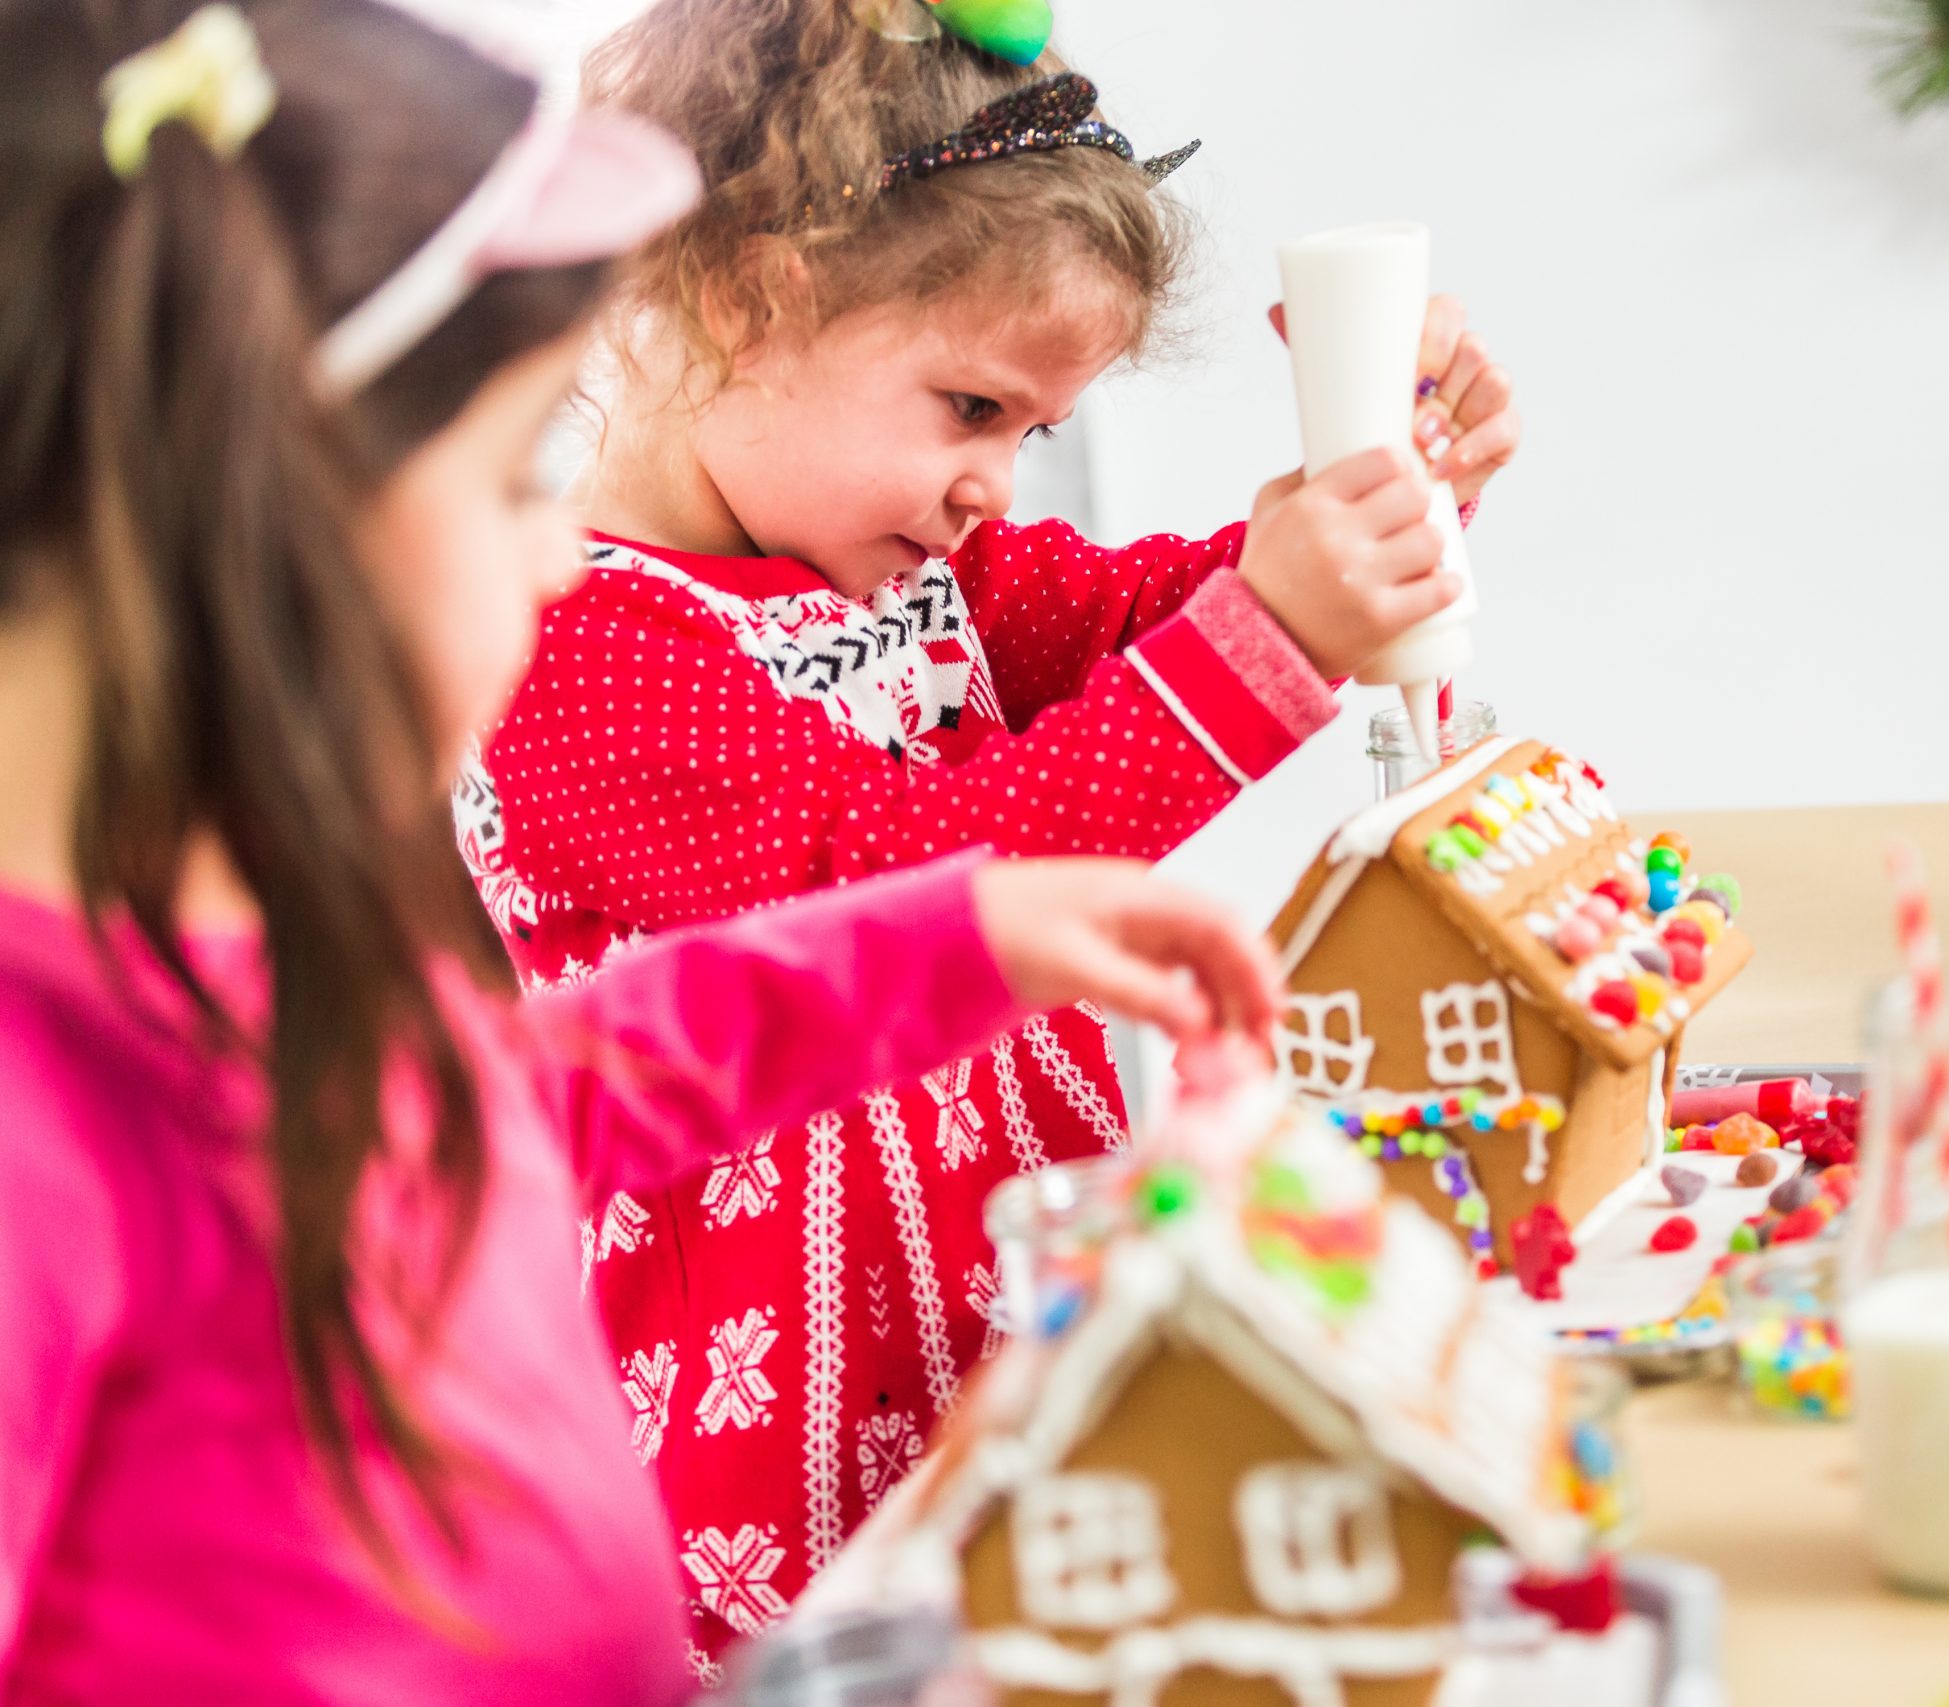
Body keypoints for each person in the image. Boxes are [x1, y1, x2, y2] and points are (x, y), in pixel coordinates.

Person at [0, 3, 1277, 1699]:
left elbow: (506, 1116)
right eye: (516, 476)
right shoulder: (33, 1135)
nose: (555, 556)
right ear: (262, 504)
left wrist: (958, 945)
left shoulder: (260, 942)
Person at [460, 1, 1521, 1663]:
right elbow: (915, 891)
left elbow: (1149, 611)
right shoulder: (575, 658)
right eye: (969, 409)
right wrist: (1283, 631)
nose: (1002, 492)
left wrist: (1367, 514)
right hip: (771, 1448)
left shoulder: (898, 572)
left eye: (1034, 432)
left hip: (993, 1333)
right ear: (747, 294)